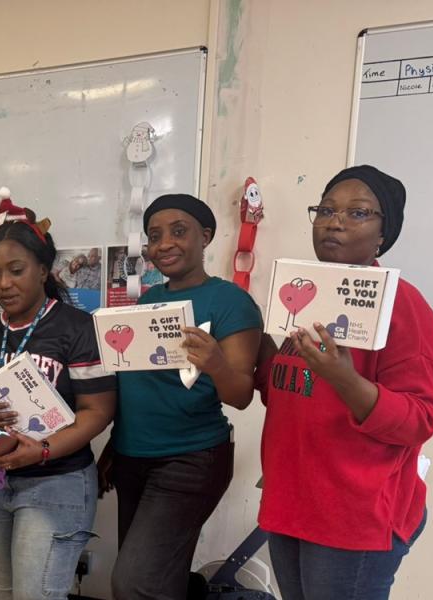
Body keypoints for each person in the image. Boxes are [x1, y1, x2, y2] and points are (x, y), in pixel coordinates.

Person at [256, 166, 433, 600]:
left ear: (383, 233)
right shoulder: (305, 299)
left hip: (353, 517)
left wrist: (346, 380)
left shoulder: (402, 305)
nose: (334, 222)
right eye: (325, 210)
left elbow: (420, 418)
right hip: (291, 502)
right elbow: (294, 393)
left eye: (357, 213)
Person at [100, 194, 263, 600]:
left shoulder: (231, 301)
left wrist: (217, 364)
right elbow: (136, 385)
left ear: (205, 236)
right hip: (132, 457)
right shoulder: (147, 301)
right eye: (154, 236)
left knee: (134, 583)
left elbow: (241, 395)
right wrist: (114, 447)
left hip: (189, 459)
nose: (164, 244)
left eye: (178, 231)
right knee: (158, 582)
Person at [0, 197, 117, 600]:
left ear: (42, 269)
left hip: (56, 480)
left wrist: (44, 450)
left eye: (16, 270)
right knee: (2, 593)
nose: (4, 283)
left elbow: (98, 411)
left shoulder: (77, 328)